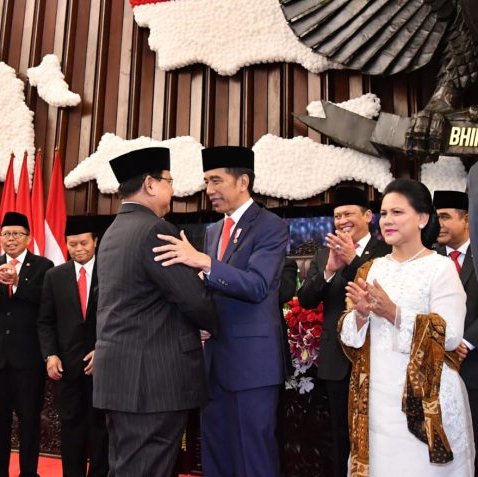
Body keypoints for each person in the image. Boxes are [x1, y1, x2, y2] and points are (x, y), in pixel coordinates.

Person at [153, 145, 288, 477]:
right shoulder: (214, 231)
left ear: (243, 182)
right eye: (206, 182)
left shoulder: (270, 226)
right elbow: (214, 288)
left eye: (216, 181)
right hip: (214, 361)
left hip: (253, 365)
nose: (209, 190)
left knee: (253, 457)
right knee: (216, 455)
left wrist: (203, 262)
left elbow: (257, 285)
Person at [94, 147, 219, 477]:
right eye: (169, 181)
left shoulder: (112, 233)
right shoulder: (156, 230)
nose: (172, 190)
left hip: (121, 379)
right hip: (152, 383)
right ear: (150, 184)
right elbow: (193, 299)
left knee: (126, 468)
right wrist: (215, 323)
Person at [341, 178, 475, 476]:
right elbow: (349, 336)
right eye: (384, 213)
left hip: (426, 399)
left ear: (423, 218)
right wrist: (360, 315)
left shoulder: (440, 267)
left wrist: (394, 313)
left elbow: (451, 335)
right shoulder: (372, 268)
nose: (387, 220)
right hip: (376, 399)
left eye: (397, 212)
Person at [296, 186, 390, 477]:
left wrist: (353, 262)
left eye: (348, 214)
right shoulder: (325, 253)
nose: (342, 221)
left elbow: (381, 296)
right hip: (337, 360)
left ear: (368, 216)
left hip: (376, 359)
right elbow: (306, 299)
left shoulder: (387, 251)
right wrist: (328, 270)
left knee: (378, 435)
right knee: (340, 438)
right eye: (337, 216)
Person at [0, 211, 53, 477]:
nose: (11, 238)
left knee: (29, 421)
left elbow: (47, 301)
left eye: (17, 233)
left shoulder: (43, 266)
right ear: (0, 238)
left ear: (28, 238)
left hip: (28, 360)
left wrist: (18, 283)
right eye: (6, 234)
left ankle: (29, 473)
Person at [37, 217, 108, 477]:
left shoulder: (110, 272)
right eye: (72, 244)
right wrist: (50, 355)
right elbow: (45, 321)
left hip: (102, 366)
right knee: (71, 430)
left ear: (95, 242)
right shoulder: (54, 276)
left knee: (101, 430)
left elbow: (120, 317)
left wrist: (104, 349)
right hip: (67, 369)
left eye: (83, 243)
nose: (78, 249)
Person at [434, 190, 478, 471]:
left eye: (445, 217)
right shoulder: (430, 259)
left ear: (466, 220)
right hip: (437, 370)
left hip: (473, 365)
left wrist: (466, 341)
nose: (438, 224)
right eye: (436, 217)